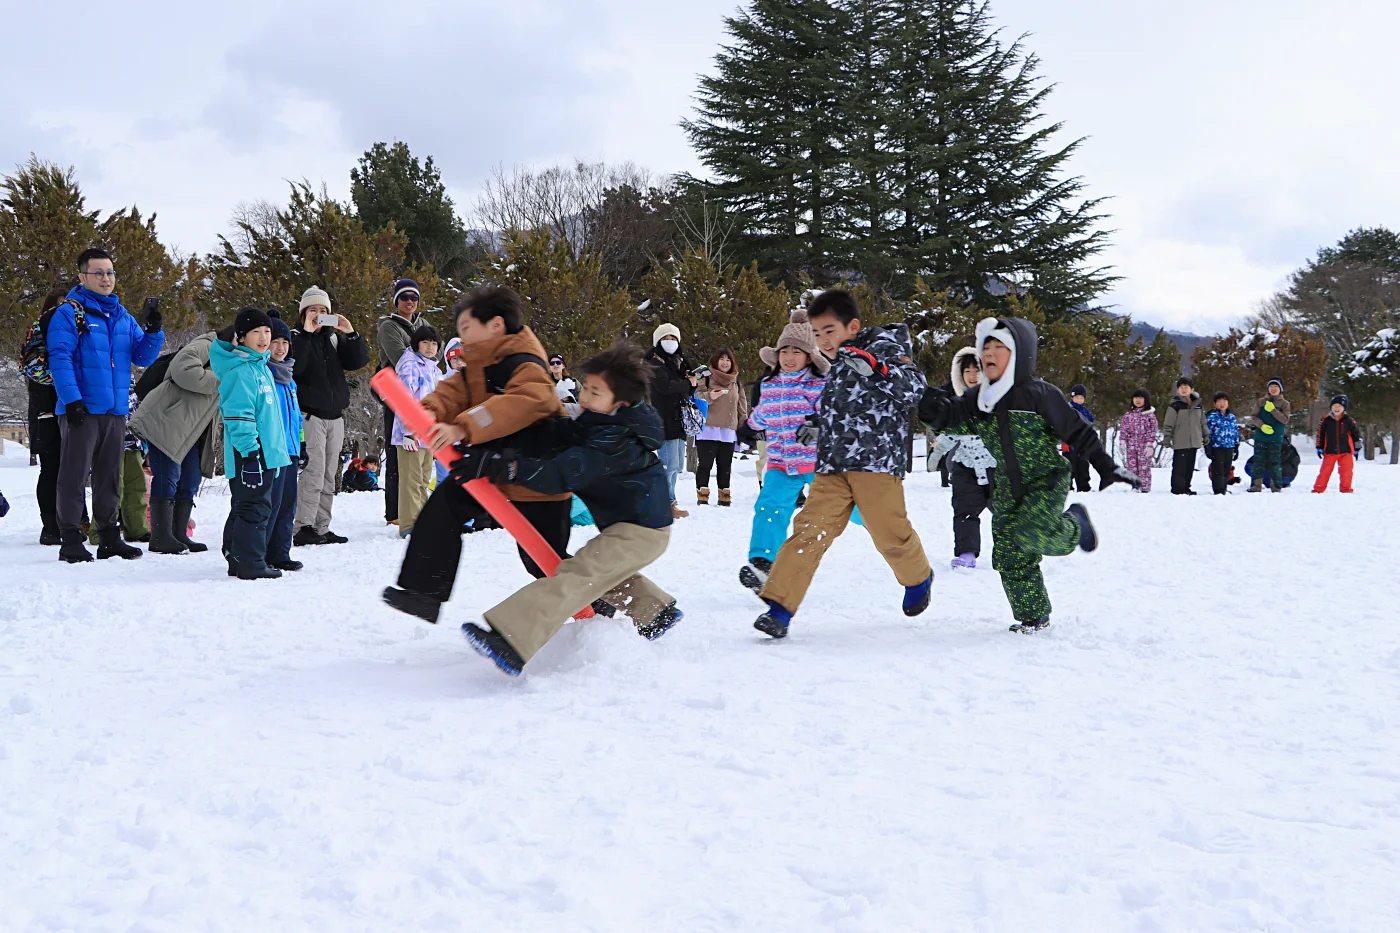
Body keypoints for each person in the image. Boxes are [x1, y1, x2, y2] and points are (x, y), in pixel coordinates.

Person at [453, 343, 683, 675]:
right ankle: (654, 612)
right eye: (585, 387)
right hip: (635, 526)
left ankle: (512, 640)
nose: (585, 397)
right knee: (595, 571)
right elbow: (560, 434)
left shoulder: (614, 440)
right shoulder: (600, 421)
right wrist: (506, 441)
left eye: (595, 391)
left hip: (642, 531)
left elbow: (562, 473)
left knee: (579, 576)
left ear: (621, 402)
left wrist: (508, 467)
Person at [920, 316, 1140, 633]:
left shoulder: (1040, 394)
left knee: (1033, 532)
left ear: (1019, 353)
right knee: (1009, 552)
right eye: (986, 347)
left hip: (1046, 478)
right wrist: (924, 401)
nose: (990, 354)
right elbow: (950, 419)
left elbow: (1078, 432)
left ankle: (1075, 525)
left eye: (1000, 347)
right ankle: (1033, 616)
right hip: (1007, 485)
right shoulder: (979, 399)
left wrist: (1105, 465)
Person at [381, 285, 573, 625]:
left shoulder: (526, 363)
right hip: (488, 468)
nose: (462, 338)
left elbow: (523, 402)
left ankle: (613, 604)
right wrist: (427, 413)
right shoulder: (477, 367)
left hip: (535, 474)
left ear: (496, 325)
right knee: (442, 508)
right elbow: (450, 393)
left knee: (544, 561)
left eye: (467, 328)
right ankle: (422, 592)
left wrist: (463, 427)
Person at [753, 289, 933, 638]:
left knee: (889, 533)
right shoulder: (835, 365)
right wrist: (817, 426)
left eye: (829, 331)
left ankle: (919, 577)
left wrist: (877, 368)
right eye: (817, 334)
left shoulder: (884, 349)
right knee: (810, 529)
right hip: (833, 465)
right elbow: (842, 408)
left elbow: (914, 388)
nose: (823, 340)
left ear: (853, 326)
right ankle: (780, 608)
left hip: (876, 463)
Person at [47, 248, 165, 563]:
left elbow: (142, 357)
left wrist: (153, 331)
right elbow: (59, 357)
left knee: (109, 476)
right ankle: (70, 537)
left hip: (114, 411)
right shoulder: (70, 313)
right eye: (98, 273)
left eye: (110, 273)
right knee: (73, 475)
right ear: (83, 277)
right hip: (82, 410)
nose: (106, 278)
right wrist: (71, 400)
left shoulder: (122, 316)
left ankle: (109, 537)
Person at [739, 310, 829, 592]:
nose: (789, 357)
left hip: (816, 463)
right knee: (769, 507)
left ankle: (888, 532)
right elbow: (763, 414)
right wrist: (748, 427)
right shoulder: (768, 385)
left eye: (796, 352)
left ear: (809, 357)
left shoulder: (817, 385)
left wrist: (817, 424)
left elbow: (834, 414)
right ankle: (763, 563)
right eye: (785, 351)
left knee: (846, 509)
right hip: (780, 462)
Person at [211, 309, 291, 580]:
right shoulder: (241, 372)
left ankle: (237, 555)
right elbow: (239, 417)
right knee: (253, 508)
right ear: (242, 337)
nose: (264, 338)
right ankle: (251, 562)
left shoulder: (260, 368)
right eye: (256, 332)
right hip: (251, 453)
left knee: (253, 505)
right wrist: (250, 455)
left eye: (267, 332)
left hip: (268, 453)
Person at [129, 327, 222, 555]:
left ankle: (178, 533)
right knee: (168, 476)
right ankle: (161, 537)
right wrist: (222, 377)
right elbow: (184, 370)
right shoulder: (209, 344)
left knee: (190, 479)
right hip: (168, 421)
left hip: (194, 428)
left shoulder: (240, 359)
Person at [290, 286, 369, 544]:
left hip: (336, 417)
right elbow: (295, 367)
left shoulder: (333, 340)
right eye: (313, 310)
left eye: (323, 311)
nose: (318, 315)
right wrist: (306, 334)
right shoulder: (295, 338)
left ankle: (321, 526)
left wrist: (351, 332)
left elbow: (358, 362)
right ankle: (303, 527)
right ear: (303, 313)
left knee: (329, 473)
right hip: (310, 416)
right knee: (313, 471)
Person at [933, 348, 998, 569]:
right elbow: (952, 430)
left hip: (997, 466)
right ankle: (966, 553)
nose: (971, 375)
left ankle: (1012, 551)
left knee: (1006, 511)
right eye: (966, 371)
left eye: (976, 370)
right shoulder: (957, 403)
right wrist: (939, 449)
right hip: (966, 465)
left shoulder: (1000, 399)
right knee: (964, 509)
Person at [21, 289, 71, 545]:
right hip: (47, 412)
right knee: (51, 469)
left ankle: (73, 521)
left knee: (71, 470)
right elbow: (34, 370)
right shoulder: (39, 333)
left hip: (69, 410)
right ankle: (50, 526)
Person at [376, 279, 425, 526]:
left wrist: (418, 352)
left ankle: (417, 507)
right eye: (404, 297)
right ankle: (394, 512)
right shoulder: (388, 326)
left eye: (413, 297)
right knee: (397, 451)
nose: (409, 301)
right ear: (396, 300)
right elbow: (399, 357)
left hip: (423, 395)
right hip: (396, 394)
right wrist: (421, 352)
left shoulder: (424, 324)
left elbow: (435, 356)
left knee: (421, 453)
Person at [392, 324, 444, 536]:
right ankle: (409, 524)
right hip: (411, 434)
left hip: (428, 434)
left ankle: (421, 520)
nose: (430, 347)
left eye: (434, 343)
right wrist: (407, 430)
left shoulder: (434, 369)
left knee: (423, 480)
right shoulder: (409, 365)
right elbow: (404, 399)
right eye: (426, 342)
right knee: (411, 481)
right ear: (416, 344)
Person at [644, 323, 696, 519]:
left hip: (678, 419)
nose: (670, 342)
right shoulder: (653, 362)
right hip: (663, 419)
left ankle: (668, 500)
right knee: (668, 464)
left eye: (673, 338)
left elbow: (689, 387)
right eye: (666, 338)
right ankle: (665, 502)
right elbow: (664, 387)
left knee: (676, 465)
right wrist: (686, 383)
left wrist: (690, 381)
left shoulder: (681, 361)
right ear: (658, 341)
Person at [265, 311, 303, 570]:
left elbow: (297, 418)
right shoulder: (264, 375)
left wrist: (301, 445)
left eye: (285, 343)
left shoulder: (289, 380)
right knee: (271, 504)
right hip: (272, 451)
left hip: (290, 450)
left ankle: (280, 552)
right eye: (275, 342)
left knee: (289, 503)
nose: (280, 348)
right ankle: (261, 551)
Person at [694, 347, 748, 507]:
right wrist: (711, 395)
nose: (725, 362)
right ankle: (702, 496)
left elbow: (742, 406)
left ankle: (724, 495)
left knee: (725, 465)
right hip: (708, 428)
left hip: (728, 430)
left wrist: (742, 426)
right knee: (705, 464)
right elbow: (697, 398)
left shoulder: (736, 381)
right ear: (715, 361)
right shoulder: (706, 378)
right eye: (722, 359)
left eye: (728, 359)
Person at [1161, 377, 1209, 495]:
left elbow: (1202, 422)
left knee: (1189, 467)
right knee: (1179, 467)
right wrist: (1167, 437)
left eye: (1186, 387)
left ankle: (1186, 487)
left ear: (1192, 389)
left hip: (1194, 441)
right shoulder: (1175, 406)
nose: (1183, 390)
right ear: (1178, 390)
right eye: (1181, 387)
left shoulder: (1198, 405)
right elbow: (1169, 424)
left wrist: (1206, 435)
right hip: (1180, 441)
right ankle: (1178, 488)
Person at [1249, 378, 1291, 493]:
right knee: (1258, 461)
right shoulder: (1261, 402)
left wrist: (1273, 410)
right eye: (1271, 386)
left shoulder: (1285, 404)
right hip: (1260, 437)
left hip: (1276, 438)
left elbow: (1285, 420)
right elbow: (1254, 416)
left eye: (1276, 387)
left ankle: (1276, 487)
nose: (1273, 389)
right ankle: (1255, 486)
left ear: (1280, 389)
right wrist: (1261, 426)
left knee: (1275, 462)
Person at [1313, 395, 1360, 493]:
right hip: (1330, 451)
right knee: (1325, 472)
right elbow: (1320, 435)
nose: (1336, 408)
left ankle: (1346, 489)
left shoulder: (1349, 421)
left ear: (1344, 408)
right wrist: (1319, 447)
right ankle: (1318, 489)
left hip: (1346, 451)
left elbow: (1356, 435)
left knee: (1346, 472)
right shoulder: (1325, 420)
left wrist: (1357, 448)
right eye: (1334, 406)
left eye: (1339, 406)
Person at [1118, 389, 1158, 495]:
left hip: (1144, 446)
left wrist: (1150, 444)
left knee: (1144, 467)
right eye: (1136, 398)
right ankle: (1134, 485)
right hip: (1131, 445)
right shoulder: (1128, 415)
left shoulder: (1150, 415)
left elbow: (1153, 430)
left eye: (1141, 398)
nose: (1138, 400)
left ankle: (1144, 487)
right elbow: (1124, 429)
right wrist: (1122, 441)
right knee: (1132, 466)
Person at [1205, 392, 1240, 496]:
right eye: (1219, 401)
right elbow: (1207, 433)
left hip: (1229, 447)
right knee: (1217, 470)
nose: (1222, 403)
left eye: (1224, 401)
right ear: (1215, 404)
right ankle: (1218, 489)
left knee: (1226, 469)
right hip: (1217, 447)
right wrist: (1207, 446)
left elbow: (1235, 432)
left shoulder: (1232, 417)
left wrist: (1236, 446)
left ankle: (1223, 488)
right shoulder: (1212, 417)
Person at [1065, 384, 1095, 493]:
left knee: (1083, 466)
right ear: (1072, 398)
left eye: (1081, 398)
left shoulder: (1086, 412)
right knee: (1069, 466)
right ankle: (1068, 486)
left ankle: (1084, 486)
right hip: (1070, 444)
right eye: (1077, 397)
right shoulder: (1067, 410)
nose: (1079, 400)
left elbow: (1091, 424)